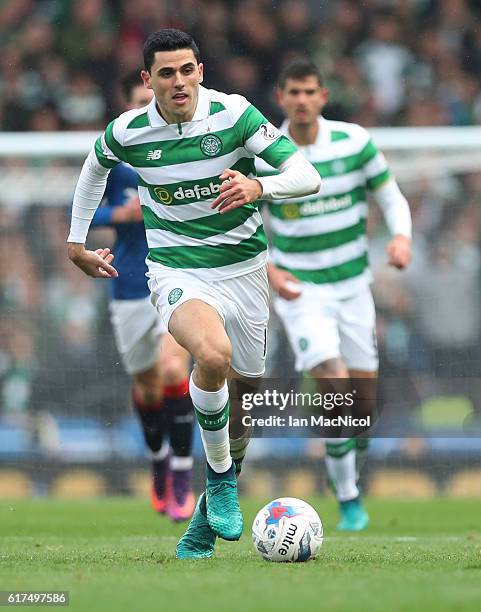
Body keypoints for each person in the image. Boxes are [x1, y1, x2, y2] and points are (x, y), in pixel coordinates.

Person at [66, 30, 320, 558]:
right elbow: (94, 169)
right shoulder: (130, 130)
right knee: (211, 355)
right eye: (165, 73)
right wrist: (76, 242)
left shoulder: (235, 116)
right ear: (147, 80)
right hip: (177, 271)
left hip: (245, 271)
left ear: (200, 71)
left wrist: (259, 187)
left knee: (244, 405)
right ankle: (222, 482)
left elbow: (305, 174)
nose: (178, 81)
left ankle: (206, 512)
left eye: (186, 70)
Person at [261, 59, 412, 531]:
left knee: (360, 406)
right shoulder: (265, 152)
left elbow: (390, 195)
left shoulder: (355, 142)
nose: (302, 100)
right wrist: (268, 268)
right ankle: (348, 500)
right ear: (281, 98)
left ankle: (345, 466)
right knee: (336, 385)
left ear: (323, 96)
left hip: (354, 289)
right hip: (301, 292)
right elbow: (241, 222)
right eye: (294, 93)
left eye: (310, 92)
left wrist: (401, 235)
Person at [90, 71, 195, 522]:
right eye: (140, 101)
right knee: (147, 385)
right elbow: (85, 209)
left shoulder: (184, 150)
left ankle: (184, 477)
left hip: (179, 276)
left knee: (174, 368)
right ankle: (158, 460)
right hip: (129, 283)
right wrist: (121, 213)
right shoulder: (115, 158)